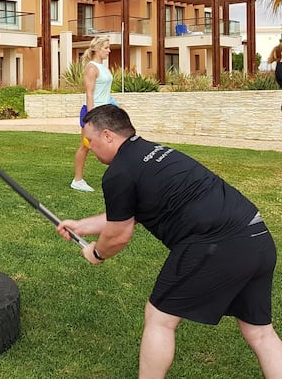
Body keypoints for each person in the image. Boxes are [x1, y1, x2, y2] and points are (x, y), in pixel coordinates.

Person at [56, 104, 282, 378]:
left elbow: (119, 235)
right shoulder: (155, 153)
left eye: (88, 141)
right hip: (256, 237)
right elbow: (127, 215)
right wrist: (81, 226)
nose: (88, 148)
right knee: (259, 332)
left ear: (107, 136)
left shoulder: (119, 173)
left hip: (216, 244)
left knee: (159, 319)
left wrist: (97, 253)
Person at [71, 35, 114, 192]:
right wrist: (91, 117)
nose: (109, 51)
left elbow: (104, 92)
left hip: (105, 111)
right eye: (106, 48)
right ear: (96, 48)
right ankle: (77, 180)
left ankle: (120, 177)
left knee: (115, 144)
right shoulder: (91, 67)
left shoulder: (103, 67)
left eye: (109, 47)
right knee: (85, 146)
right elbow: (89, 93)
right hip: (93, 112)